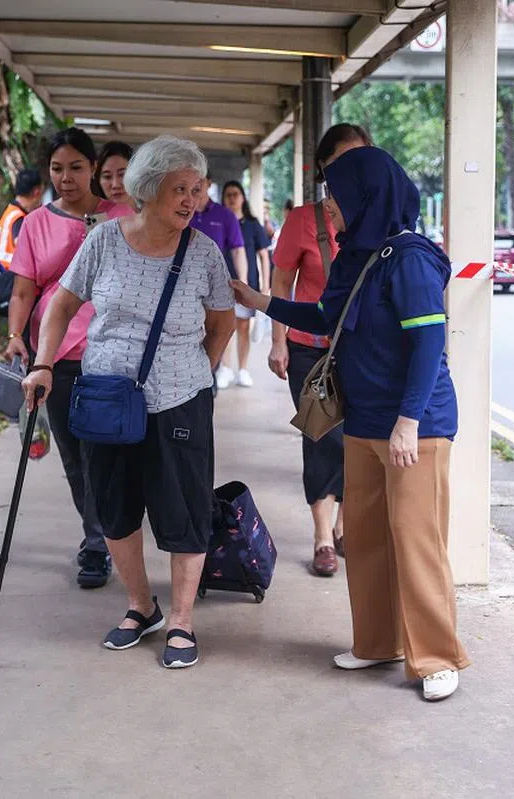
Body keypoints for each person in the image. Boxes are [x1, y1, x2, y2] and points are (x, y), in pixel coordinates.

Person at [232, 145, 471, 702]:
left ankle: (435, 656)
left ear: (366, 194)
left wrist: (408, 421)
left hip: (415, 425)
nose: (328, 207)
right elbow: (323, 317)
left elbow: (428, 340)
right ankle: (378, 642)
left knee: (416, 539)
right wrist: (261, 301)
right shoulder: (356, 255)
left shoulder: (410, 258)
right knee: (363, 539)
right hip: (362, 420)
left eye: (335, 195)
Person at [23, 134, 235, 669]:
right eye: (178, 189)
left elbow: (223, 318)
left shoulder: (203, 251)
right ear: (146, 190)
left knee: (184, 508)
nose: (190, 200)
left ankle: (182, 620)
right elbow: (60, 305)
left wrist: (199, 371)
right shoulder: (103, 242)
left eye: (196, 189)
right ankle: (142, 607)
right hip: (108, 398)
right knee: (115, 509)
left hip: (180, 399)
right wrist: (44, 363)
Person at [5, 128, 134, 589]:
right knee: (76, 458)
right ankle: (96, 541)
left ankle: (113, 534)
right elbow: (23, 288)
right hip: (55, 356)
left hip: (113, 355)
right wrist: (17, 335)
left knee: (109, 453)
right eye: (57, 169)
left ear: (93, 169)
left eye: (76, 167)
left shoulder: (122, 216)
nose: (65, 177)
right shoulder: (37, 222)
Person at [270, 123, 372, 578]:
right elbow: (280, 284)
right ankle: (322, 538)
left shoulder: (378, 218)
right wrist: (277, 341)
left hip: (363, 350)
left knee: (357, 439)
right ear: (324, 169)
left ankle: (347, 529)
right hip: (310, 351)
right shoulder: (301, 221)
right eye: (343, 160)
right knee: (322, 438)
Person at [190, 174, 248, 389]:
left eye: (200, 180)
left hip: (213, 288)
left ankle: (210, 376)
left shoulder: (225, 216)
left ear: (209, 183)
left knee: (217, 331)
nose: (196, 186)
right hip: (182, 289)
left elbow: (238, 250)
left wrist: (242, 283)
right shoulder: (179, 212)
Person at [220, 180, 270, 387]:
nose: (232, 198)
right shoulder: (220, 222)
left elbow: (264, 255)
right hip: (222, 284)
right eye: (228, 195)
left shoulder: (252, 224)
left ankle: (242, 370)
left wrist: (266, 284)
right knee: (224, 328)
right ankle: (224, 369)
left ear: (243, 197)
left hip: (247, 285)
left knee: (242, 329)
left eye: (236, 194)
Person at [0, 168, 45, 270]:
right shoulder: (19, 219)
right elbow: (25, 251)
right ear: (36, 192)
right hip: (9, 276)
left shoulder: (10, 211)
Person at [95, 141, 134, 209]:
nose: (115, 185)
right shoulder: (93, 218)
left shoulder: (154, 213)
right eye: (107, 177)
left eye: (122, 174)